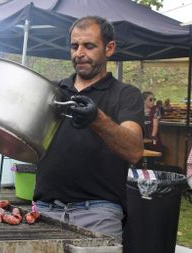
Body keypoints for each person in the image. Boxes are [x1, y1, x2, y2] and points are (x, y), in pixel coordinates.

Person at [33, 16, 144, 243]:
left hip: (99, 213)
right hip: (44, 209)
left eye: (89, 46)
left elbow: (134, 150)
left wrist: (97, 119)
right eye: (74, 46)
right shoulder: (53, 90)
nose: (79, 53)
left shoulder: (126, 94)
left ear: (109, 48)